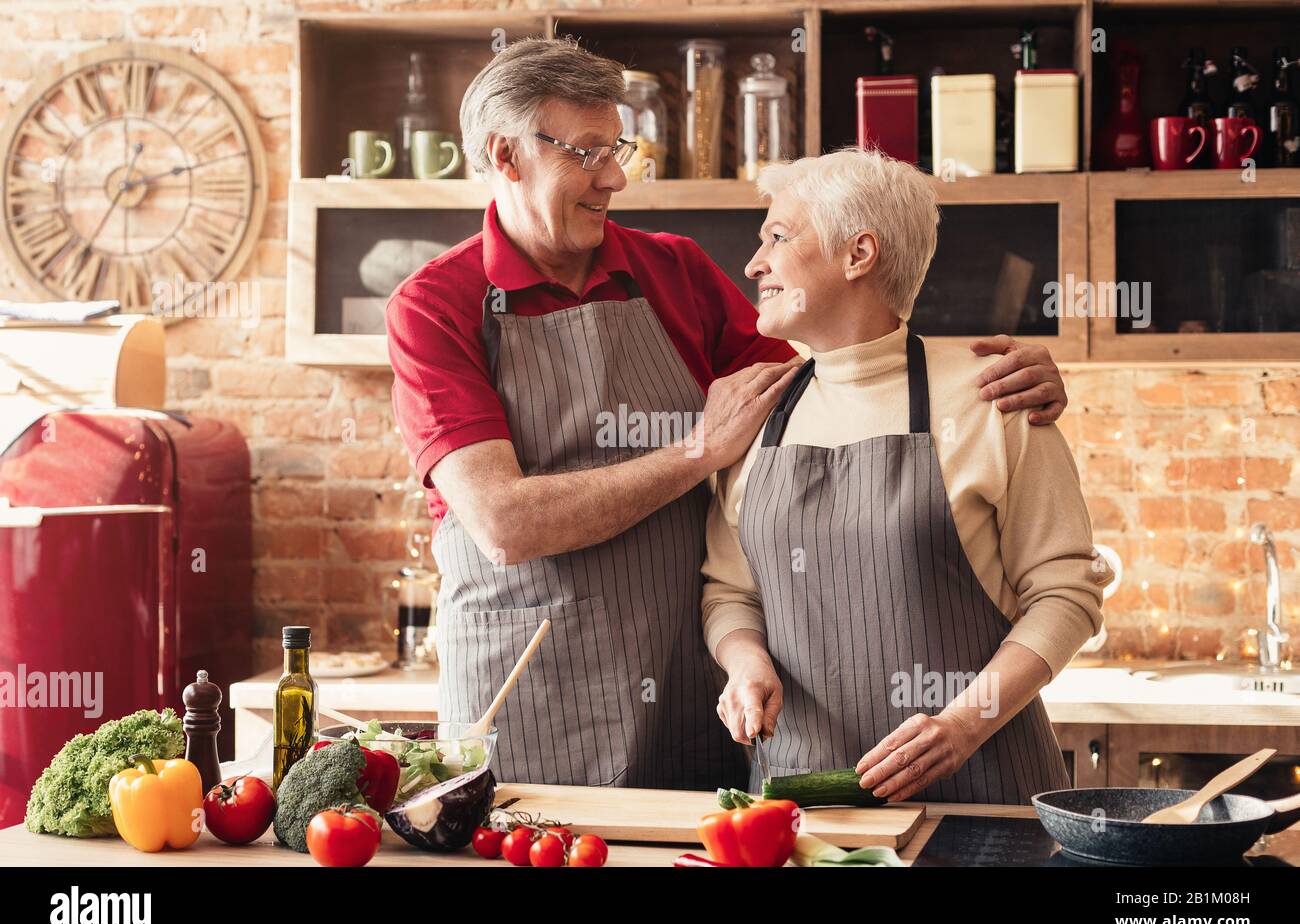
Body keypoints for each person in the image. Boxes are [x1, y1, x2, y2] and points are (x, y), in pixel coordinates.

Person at [387, 38, 1073, 791]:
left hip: (687, 692)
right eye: (587, 152)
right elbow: (504, 523)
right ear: (506, 156)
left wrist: (987, 378)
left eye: (617, 147)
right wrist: (694, 453)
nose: (615, 176)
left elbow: (835, 364)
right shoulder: (434, 308)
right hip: (525, 698)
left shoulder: (674, 270)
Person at [705, 148, 1113, 803]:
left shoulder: (995, 399)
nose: (755, 264)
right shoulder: (754, 414)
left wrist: (961, 726)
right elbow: (730, 592)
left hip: (984, 792)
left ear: (857, 254)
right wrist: (744, 659)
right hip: (804, 799)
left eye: (779, 238)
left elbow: (1067, 595)